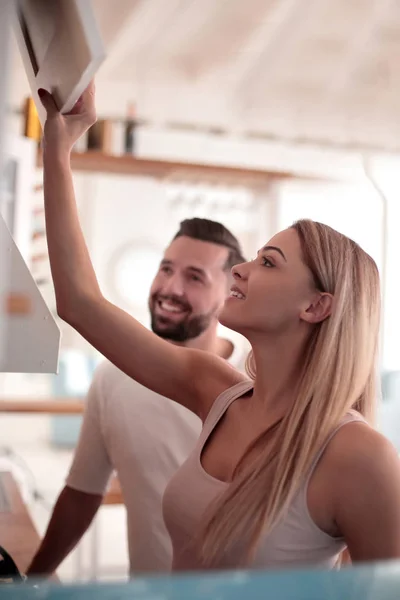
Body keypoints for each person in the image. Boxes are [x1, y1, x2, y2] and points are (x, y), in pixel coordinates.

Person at [37, 82, 400, 572]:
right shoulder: (217, 391)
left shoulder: (358, 455)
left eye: (268, 263)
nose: (241, 270)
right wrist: (59, 144)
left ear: (316, 305)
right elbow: (80, 304)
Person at [27, 217, 247, 577]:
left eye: (195, 277)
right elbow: (82, 493)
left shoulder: (257, 378)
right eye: (166, 269)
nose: (170, 288)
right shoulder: (114, 377)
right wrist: (31, 581)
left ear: (229, 293)